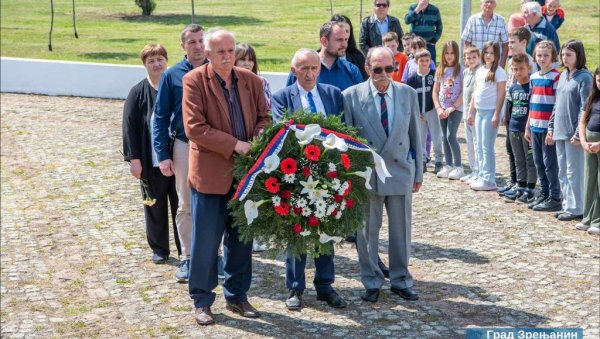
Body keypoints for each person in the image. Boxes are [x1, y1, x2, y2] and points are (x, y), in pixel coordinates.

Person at [182, 28, 271, 326]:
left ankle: (237, 295)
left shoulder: (251, 81)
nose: (227, 56)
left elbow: (264, 118)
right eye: (220, 51)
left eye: (231, 50)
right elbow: (195, 128)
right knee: (206, 242)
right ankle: (202, 300)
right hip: (209, 177)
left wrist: (257, 139)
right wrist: (235, 145)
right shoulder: (193, 81)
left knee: (241, 240)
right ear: (207, 54)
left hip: (245, 176)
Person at [342, 47, 423, 303]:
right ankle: (372, 281)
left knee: (401, 231)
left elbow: (416, 137)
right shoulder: (351, 96)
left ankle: (401, 280)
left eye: (390, 69)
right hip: (368, 175)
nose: (384, 74)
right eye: (377, 69)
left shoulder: (408, 94)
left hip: (400, 171)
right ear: (367, 68)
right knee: (366, 233)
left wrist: (418, 171)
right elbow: (347, 141)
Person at [271, 48, 347, 311]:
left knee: (325, 229)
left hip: (329, 172)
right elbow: (282, 132)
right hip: (297, 172)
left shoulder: (333, 95)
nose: (310, 73)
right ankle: (295, 287)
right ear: (294, 71)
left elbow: (344, 131)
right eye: (304, 68)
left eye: (314, 68)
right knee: (298, 231)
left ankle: (325, 285)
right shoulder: (281, 97)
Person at [153, 24, 207, 283]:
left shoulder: (216, 70)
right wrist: (162, 154)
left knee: (214, 202)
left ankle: (214, 256)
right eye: (192, 42)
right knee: (185, 203)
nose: (198, 46)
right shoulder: (172, 75)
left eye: (201, 40)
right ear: (183, 46)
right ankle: (187, 257)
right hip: (184, 145)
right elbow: (160, 116)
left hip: (214, 147)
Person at [123, 44, 180, 264]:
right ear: (145, 65)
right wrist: (134, 159)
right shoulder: (138, 92)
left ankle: (184, 247)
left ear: (167, 60)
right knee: (154, 207)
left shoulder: (177, 86)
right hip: (151, 161)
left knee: (181, 206)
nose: (156, 64)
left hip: (178, 159)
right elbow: (129, 127)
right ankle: (159, 249)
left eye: (160, 59)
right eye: (151, 61)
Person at [548, 40, 592, 221]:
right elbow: (557, 105)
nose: (565, 58)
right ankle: (567, 205)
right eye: (563, 54)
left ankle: (577, 207)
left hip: (573, 133)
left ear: (578, 56)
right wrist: (551, 126)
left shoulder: (584, 78)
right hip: (559, 130)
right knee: (563, 170)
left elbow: (585, 107)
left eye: (569, 55)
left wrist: (577, 133)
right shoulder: (563, 77)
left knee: (575, 171)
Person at [234, 43, 272, 253]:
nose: (247, 63)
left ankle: (257, 234)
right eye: (243, 59)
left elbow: (268, 110)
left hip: (258, 142)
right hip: (238, 144)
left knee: (257, 190)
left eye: (250, 59)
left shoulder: (262, 82)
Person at [499, 28, 538, 197]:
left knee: (526, 155)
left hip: (525, 114)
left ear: (523, 43)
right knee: (511, 148)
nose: (510, 45)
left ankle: (525, 185)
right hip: (512, 107)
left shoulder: (530, 62)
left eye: (513, 42)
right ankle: (515, 181)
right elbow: (510, 86)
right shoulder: (510, 61)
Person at [525, 40, 562, 212]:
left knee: (550, 164)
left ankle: (555, 196)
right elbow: (532, 103)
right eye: (539, 55)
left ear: (553, 57)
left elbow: (557, 104)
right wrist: (527, 126)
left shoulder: (556, 77)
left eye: (546, 55)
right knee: (538, 162)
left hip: (547, 128)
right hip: (534, 126)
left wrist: (552, 129)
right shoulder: (533, 77)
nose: (542, 58)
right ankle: (544, 193)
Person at [467, 41, 507, 191]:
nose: (489, 55)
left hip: (490, 111)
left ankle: (489, 179)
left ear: (497, 55)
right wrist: (471, 111)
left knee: (486, 146)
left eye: (492, 53)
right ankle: (481, 174)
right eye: (486, 52)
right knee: (479, 144)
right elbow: (475, 93)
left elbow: (501, 93)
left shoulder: (499, 72)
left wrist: (497, 113)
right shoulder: (480, 70)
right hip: (479, 111)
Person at [286, 21, 363, 92]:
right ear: (324, 41)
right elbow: (288, 99)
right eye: (339, 40)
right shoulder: (300, 67)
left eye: (346, 40)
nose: (345, 45)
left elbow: (361, 101)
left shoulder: (352, 71)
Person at [405, 49, 442, 173]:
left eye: (427, 60)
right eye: (421, 60)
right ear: (416, 61)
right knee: (420, 137)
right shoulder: (412, 78)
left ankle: (438, 160)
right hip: (419, 113)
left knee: (436, 136)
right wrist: (414, 112)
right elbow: (409, 97)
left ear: (430, 61)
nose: (424, 63)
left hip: (432, 110)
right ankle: (422, 160)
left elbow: (439, 91)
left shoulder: (434, 74)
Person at [432, 41, 464, 180]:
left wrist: (453, 107)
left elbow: (464, 92)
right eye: (447, 53)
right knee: (444, 137)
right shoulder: (440, 70)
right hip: (442, 109)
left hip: (455, 108)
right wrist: (439, 108)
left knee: (451, 136)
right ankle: (448, 165)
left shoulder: (461, 70)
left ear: (456, 54)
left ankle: (458, 166)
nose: (449, 56)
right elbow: (435, 91)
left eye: (452, 53)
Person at [576, 66, 600, 235]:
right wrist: (583, 140)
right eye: (599, 81)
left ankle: (598, 220)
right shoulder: (592, 97)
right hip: (589, 145)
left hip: (599, 144)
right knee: (589, 180)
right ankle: (587, 217)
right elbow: (583, 120)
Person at [461, 0, 509, 68]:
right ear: (481, 4)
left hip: (494, 65)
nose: (489, 4)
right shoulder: (472, 20)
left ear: (495, 5)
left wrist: (502, 64)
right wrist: (467, 61)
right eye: (486, 2)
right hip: (475, 64)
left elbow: (505, 44)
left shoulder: (501, 21)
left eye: (491, 2)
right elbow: (467, 42)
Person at [460, 47, 482, 184]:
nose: (471, 60)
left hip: (474, 113)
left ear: (479, 58)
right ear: (464, 59)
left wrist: (471, 112)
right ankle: (473, 169)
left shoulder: (479, 72)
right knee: (469, 143)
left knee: (476, 142)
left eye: (474, 57)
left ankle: (478, 170)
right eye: (468, 58)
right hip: (465, 111)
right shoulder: (466, 72)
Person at [331, 14, 369, 81]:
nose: (344, 34)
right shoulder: (318, 57)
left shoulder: (357, 57)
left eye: (347, 31)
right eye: (340, 31)